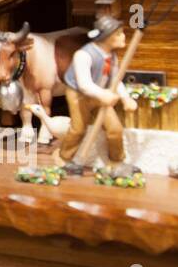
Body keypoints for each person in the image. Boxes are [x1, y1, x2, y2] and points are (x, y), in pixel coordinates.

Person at [56, 14, 135, 166]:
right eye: (118, 33)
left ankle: (116, 162)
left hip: (100, 95)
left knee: (115, 130)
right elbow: (84, 84)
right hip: (79, 95)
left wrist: (126, 98)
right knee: (78, 129)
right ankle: (63, 158)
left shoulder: (112, 57)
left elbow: (115, 80)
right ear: (106, 36)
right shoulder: (84, 55)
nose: (123, 36)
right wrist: (103, 94)